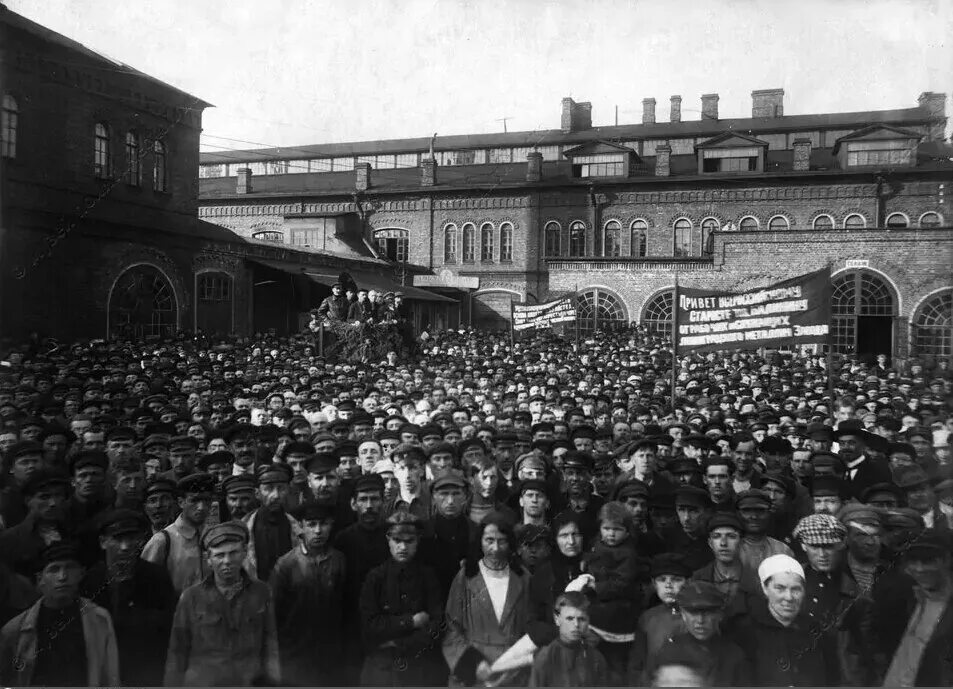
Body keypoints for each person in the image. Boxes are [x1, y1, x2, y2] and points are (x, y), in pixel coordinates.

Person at [164, 521, 280, 686]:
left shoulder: (261, 593)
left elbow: (270, 648)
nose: (227, 561)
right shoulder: (191, 598)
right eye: (219, 555)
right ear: (208, 559)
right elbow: (177, 654)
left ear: (245, 553)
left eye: (233, 553)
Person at [0, 542, 120, 687]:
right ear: (40, 580)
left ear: (81, 573)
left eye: (70, 568)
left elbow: (110, 675)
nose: (63, 576)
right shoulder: (15, 630)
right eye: (54, 569)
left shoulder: (99, 619)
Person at [81, 508, 177, 687]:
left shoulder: (156, 578)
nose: (125, 547)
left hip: (145, 672)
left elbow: (169, 628)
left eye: (131, 539)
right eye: (117, 539)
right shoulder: (90, 582)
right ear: (103, 542)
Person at [443, 512, 532, 686]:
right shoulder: (466, 577)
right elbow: (451, 629)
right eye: (489, 540)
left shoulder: (524, 578)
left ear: (510, 543)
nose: (496, 548)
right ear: (480, 541)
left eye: (502, 541)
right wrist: (474, 663)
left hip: (514, 671)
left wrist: (516, 664)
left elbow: (532, 628)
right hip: (475, 673)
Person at [358, 511, 444, 686]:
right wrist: (410, 621)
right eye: (397, 541)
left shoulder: (428, 576)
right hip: (381, 668)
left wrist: (399, 642)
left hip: (419, 665)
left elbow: (438, 623)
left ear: (418, 541)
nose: (403, 547)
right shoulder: (375, 577)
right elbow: (369, 624)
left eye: (409, 541)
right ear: (388, 540)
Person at [270, 501, 347, 686]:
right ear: (301, 528)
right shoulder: (286, 564)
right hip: (297, 651)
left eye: (324, 524)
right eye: (312, 525)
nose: (318, 531)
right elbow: (274, 613)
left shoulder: (338, 560)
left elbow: (344, 604)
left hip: (331, 650)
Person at [731, 554, 838, 686]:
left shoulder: (816, 631)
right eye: (780, 588)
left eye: (796, 589)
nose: (789, 597)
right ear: (765, 588)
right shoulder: (745, 631)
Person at [876, 531, 953, 686]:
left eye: (928, 561)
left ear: (947, 560)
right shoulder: (905, 599)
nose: (919, 568)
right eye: (913, 561)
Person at [648, 581, 750, 686]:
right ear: (683, 614)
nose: (700, 620)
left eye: (708, 612)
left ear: (719, 615)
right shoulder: (668, 652)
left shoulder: (734, 656)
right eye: (693, 613)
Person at [141, 472, 215, 595]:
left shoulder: (213, 536)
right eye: (194, 500)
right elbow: (145, 585)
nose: (201, 507)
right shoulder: (162, 540)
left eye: (206, 500)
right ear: (181, 502)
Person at [628, 553, 692, 683]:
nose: (668, 585)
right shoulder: (648, 618)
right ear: (654, 584)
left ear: (688, 582)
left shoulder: (697, 617)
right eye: (662, 579)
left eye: (676, 579)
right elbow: (637, 664)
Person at [528, 591, 609, 687]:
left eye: (581, 619)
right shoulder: (545, 658)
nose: (576, 625)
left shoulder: (596, 659)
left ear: (588, 620)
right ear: (557, 619)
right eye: (569, 618)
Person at [242, 463, 298, 581]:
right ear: (257, 493)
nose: (276, 495)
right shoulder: (244, 529)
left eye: (281, 488)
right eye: (269, 489)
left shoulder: (299, 530)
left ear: (288, 490)